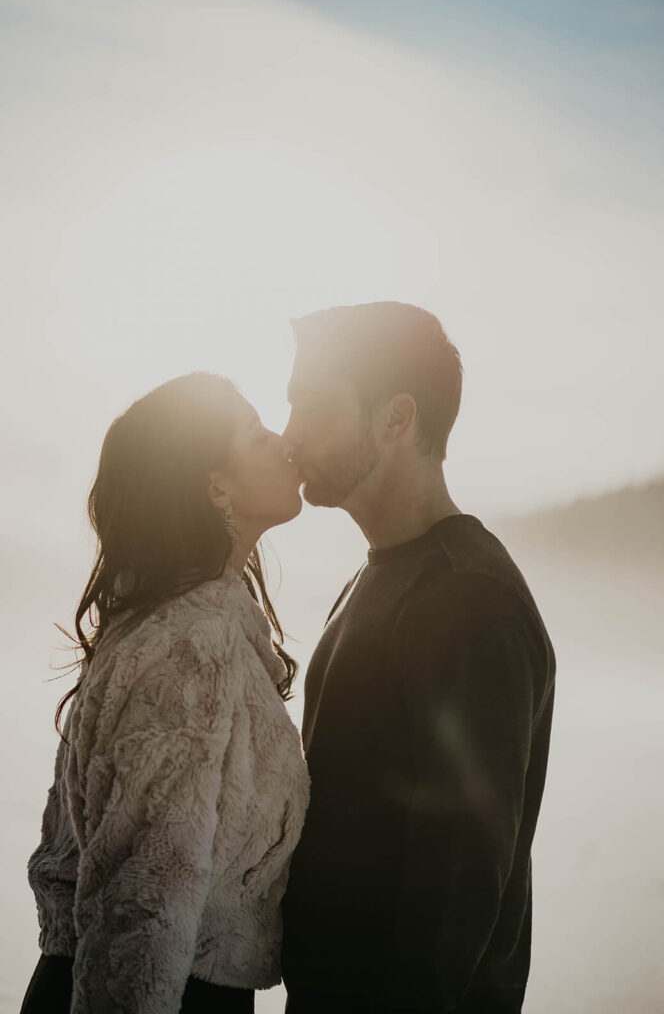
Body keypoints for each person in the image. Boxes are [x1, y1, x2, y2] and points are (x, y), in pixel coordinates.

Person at [280, 302, 556, 1014]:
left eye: (312, 409)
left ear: (396, 419)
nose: (289, 437)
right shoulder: (383, 574)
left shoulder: (467, 595)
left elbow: (461, 877)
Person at [21, 372, 310, 1014]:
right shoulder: (186, 648)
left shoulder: (198, 624)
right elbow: (144, 897)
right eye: (259, 434)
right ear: (217, 485)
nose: (286, 443)